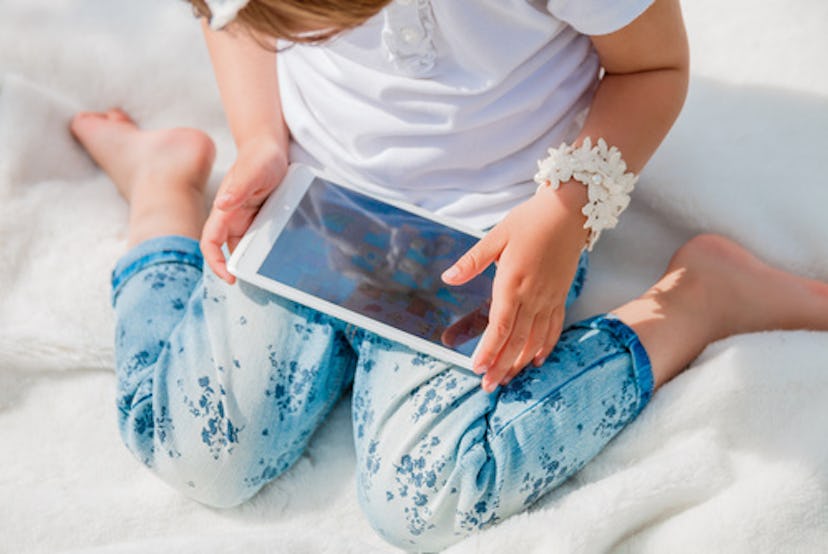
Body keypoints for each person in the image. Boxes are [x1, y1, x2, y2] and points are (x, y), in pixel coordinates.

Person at [69, 0, 828, 550]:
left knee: (425, 501)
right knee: (194, 451)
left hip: (499, 232)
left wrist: (565, 213)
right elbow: (228, 15)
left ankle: (697, 301)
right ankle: (162, 186)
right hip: (312, 200)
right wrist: (260, 138)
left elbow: (657, 66)